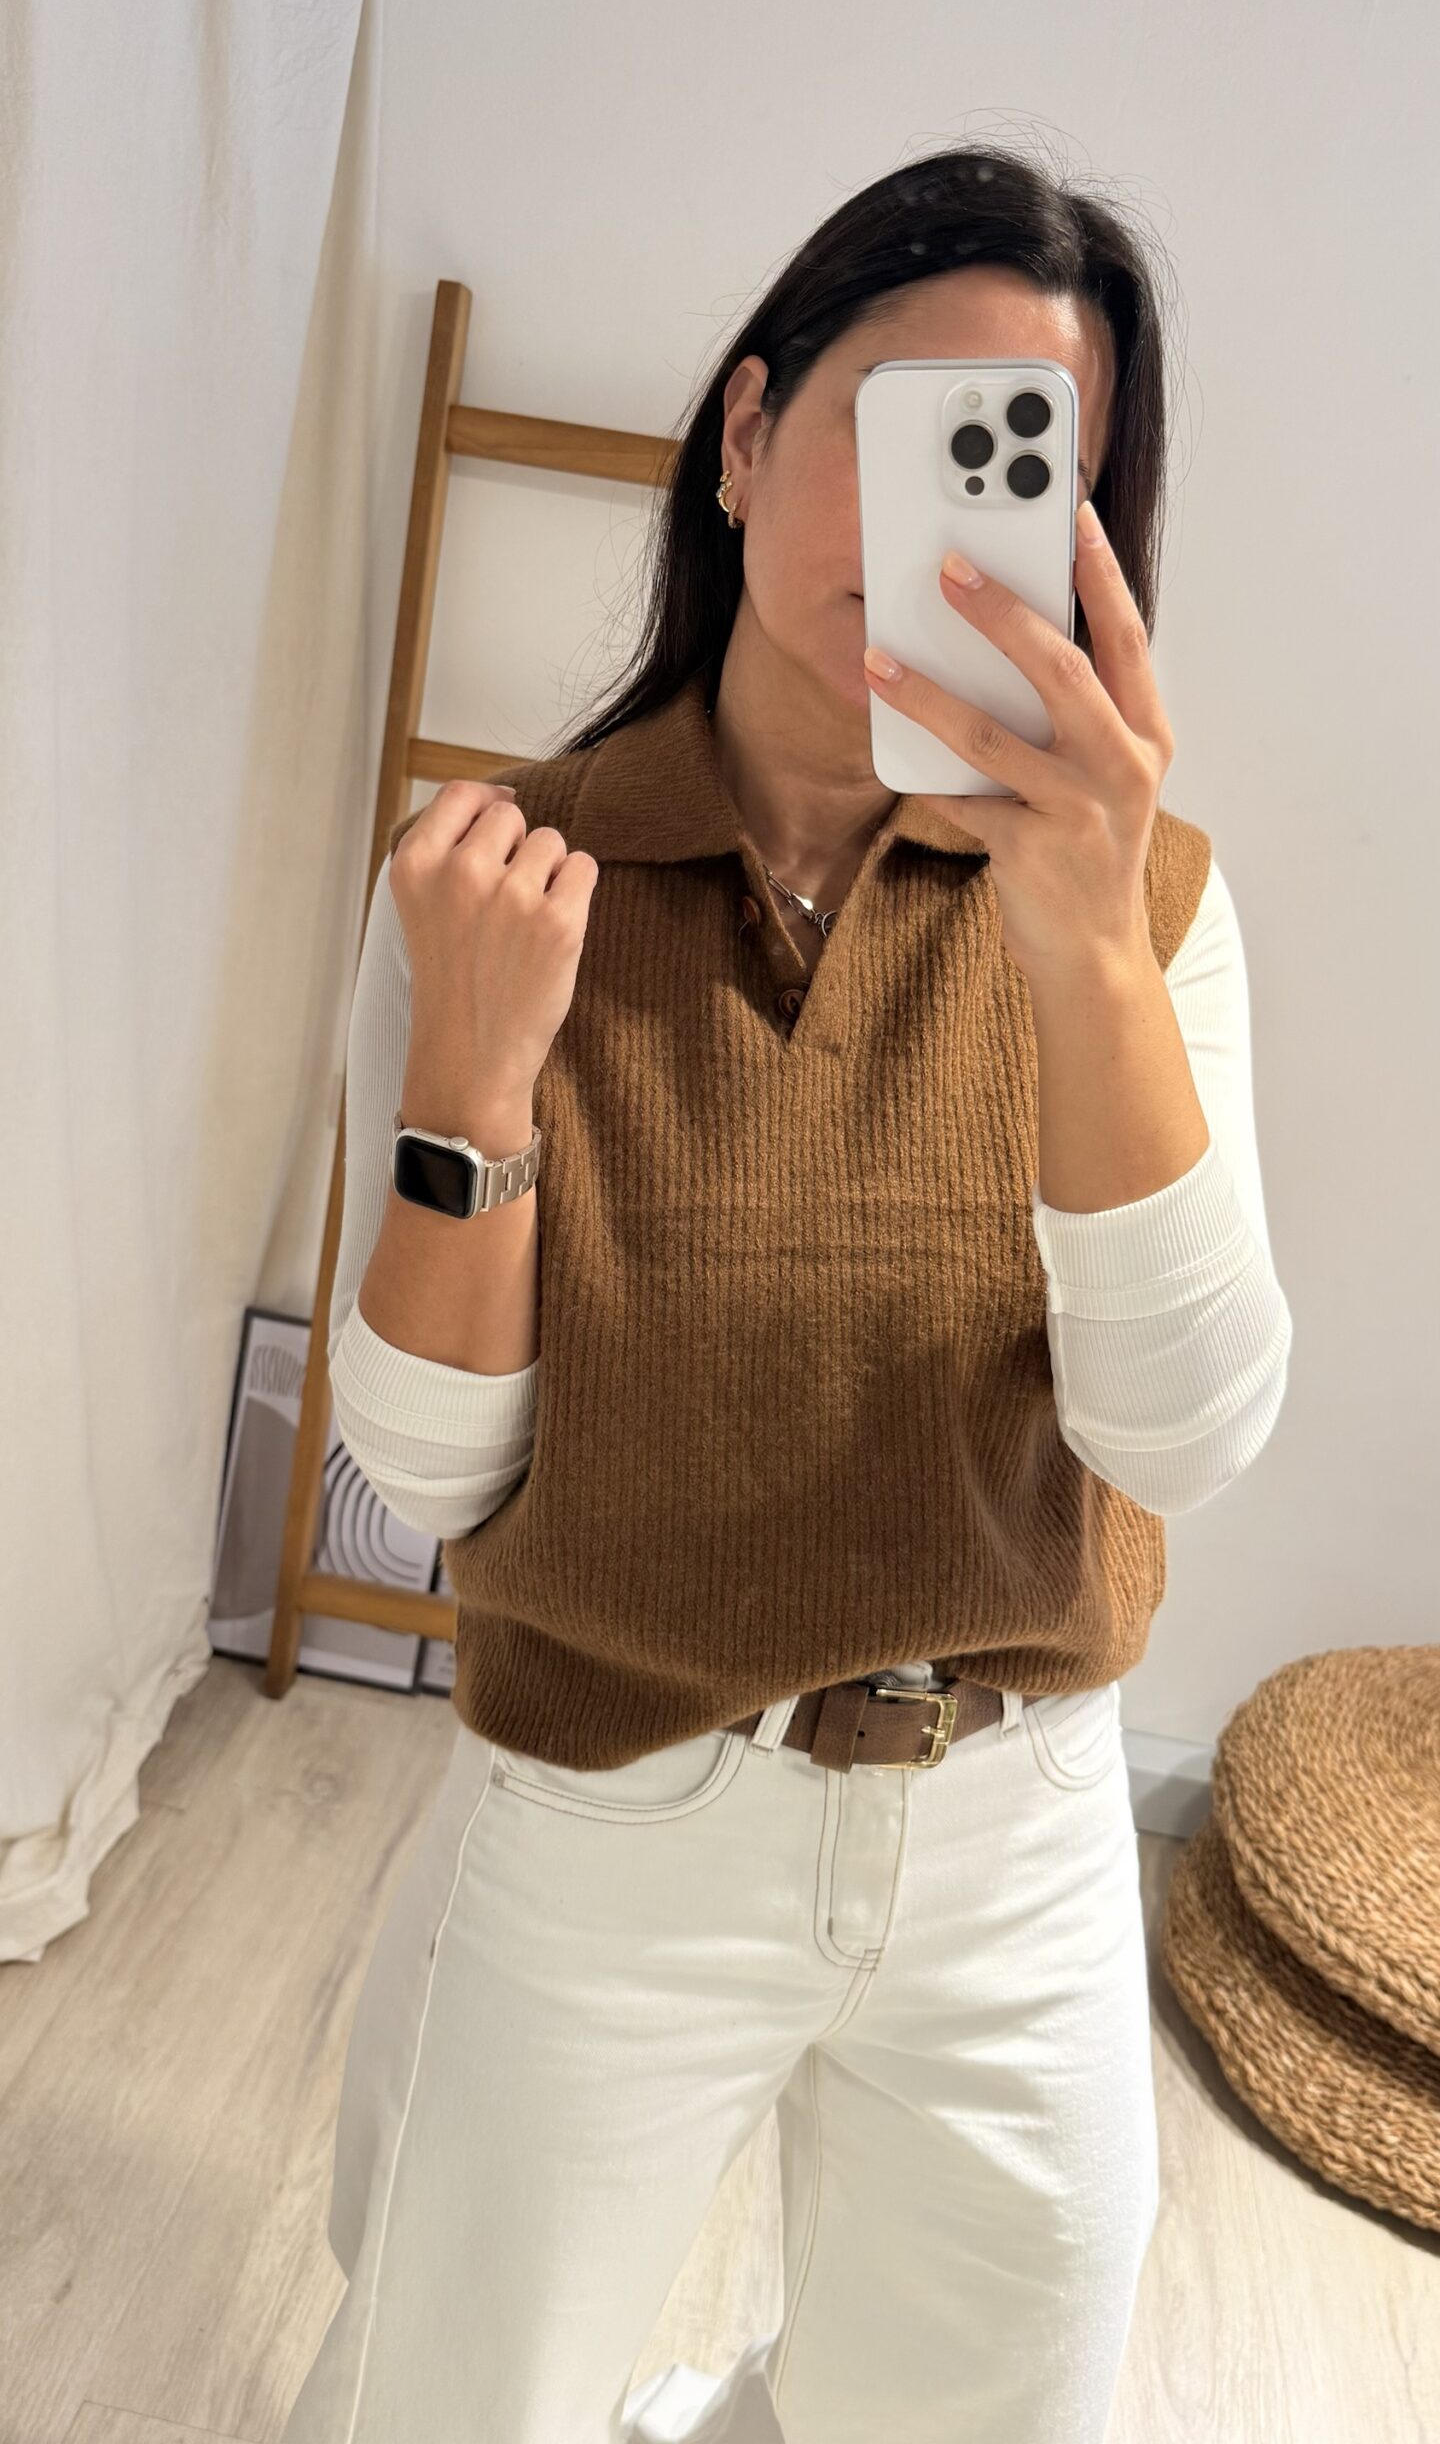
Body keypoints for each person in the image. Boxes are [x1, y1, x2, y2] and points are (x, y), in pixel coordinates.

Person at [278, 146, 1292, 2444]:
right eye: (901, 427)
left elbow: (1183, 1428)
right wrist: (473, 1079)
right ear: (743, 437)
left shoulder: (1149, 907)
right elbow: (424, 1467)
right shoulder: (501, 882)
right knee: (442, 2404)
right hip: (613, 1804)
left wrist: (1085, 942)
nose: (951, 526)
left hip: (1018, 1835)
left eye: (1021, 467)